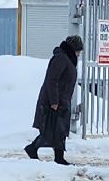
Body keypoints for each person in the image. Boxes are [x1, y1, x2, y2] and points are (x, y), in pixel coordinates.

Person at [26, 35, 83, 165]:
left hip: (62, 100)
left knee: (59, 130)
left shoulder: (66, 58)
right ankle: (33, 148)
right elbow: (52, 80)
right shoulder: (61, 59)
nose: (79, 54)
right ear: (72, 48)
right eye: (78, 51)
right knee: (51, 129)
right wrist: (54, 101)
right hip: (54, 101)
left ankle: (58, 157)